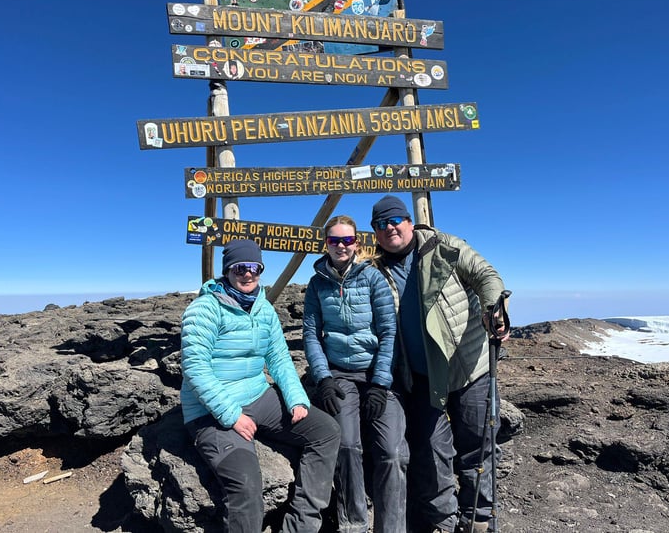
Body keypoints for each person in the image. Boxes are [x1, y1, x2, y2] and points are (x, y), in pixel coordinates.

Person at [369, 195, 509, 533]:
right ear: (374, 232)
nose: (389, 228)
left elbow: (486, 276)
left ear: (408, 221)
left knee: (478, 444)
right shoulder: (375, 270)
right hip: (421, 377)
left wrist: (495, 307)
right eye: (381, 224)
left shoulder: (443, 246)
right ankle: (443, 523)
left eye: (395, 220)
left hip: (469, 367)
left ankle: (479, 517)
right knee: (432, 454)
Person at [181, 238, 341, 532]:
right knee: (245, 484)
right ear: (228, 270)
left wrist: (295, 399)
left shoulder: (263, 308)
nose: (248, 274)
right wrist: (231, 416)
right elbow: (195, 367)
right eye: (240, 267)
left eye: (255, 267)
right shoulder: (204, 309)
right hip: (210, 411)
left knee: (326, 431)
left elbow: (279, 358)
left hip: (258, 396)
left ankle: (301, 526)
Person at [303, 215, 408, 533]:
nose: (341, 246)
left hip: (376, 374)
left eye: (347, 240)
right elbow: (311, 333)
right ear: (326, 244)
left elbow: (389, 332)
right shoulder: (317, 283)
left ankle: (391, 528)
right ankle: (354, 525)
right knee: (347, 446)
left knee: (391, 452)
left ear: (356, 244)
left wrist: (380, 383)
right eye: (334, 240)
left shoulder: (373, 279)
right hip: (339, 375)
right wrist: (322, 378)